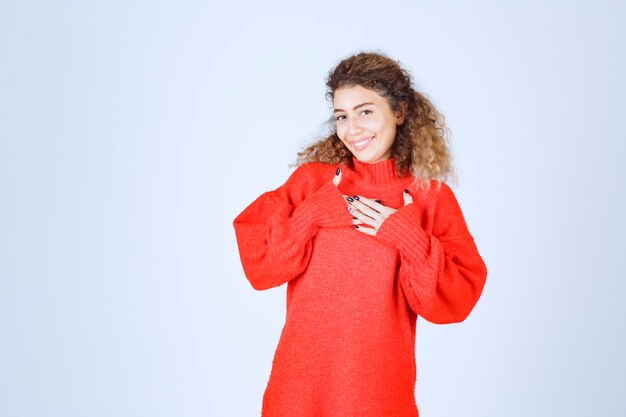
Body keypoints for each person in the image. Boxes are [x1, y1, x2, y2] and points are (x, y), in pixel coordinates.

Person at [232, 50, 488, 417]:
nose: (352, 130)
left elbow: (454, 301)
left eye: (365, 111)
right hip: (298, 391)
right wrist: (311, 216)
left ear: (399, 112)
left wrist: (407, 237)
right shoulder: (313, 183)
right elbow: (261, 268)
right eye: (342, 116)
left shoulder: (428, 197)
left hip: (378, 395)